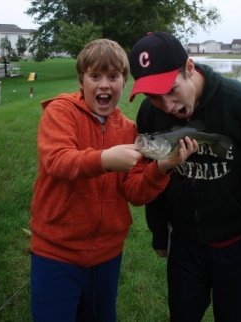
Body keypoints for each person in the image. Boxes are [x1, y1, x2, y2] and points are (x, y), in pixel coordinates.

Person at [30, 38, 197, 322]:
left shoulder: (129, 130)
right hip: (56, 254)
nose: (104, 84)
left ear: (124, 82)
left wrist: (162, 168)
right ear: (81, 81)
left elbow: (135, 192)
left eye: (113, 76)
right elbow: (57, 160)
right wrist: (104, 160)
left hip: (107, 255)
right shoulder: (61, 112)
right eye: (95, 76)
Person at [129, 31, 241, 322]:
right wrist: (159, 232)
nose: (166, 105)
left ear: (189, 69)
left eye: (172, 90)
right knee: (182, 315)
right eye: (154, 97)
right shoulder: (149, 116)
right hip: (182, 241)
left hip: (236, 240)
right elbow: (151, 175)